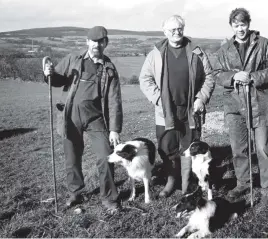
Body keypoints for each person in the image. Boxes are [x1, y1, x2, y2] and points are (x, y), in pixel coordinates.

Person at [43, 26, 123, 210]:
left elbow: (114, 100)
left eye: (101, 41)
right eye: (93, 41)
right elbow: (57, 80)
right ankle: (76, 193)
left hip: (96, 118)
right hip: (70, 116)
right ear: (87, 42)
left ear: (106, 43)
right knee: (72, 157)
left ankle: (109, 198)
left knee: (105, 156)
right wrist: (48, 74)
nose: (97, 44)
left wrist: (114, 129)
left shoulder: (109, 68)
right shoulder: (73, 59)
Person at [139, 15, 215, 197]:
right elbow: (145, 79)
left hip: (190, 109)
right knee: (167, 147)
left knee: (189, 147)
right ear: (165, 32)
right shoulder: (156, 53)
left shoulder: (196, 52)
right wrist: (158, 99)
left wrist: (201, 99)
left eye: (179, 28)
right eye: (172, 30)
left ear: (183, 29)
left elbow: (209, 77)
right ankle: (171, 181)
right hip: (165, 112)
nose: (176, 32)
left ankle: (187, 184)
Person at [214, 8, 268, 207]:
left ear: (249, 24)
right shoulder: (224, 49)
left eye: (243, 24)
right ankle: (243, 183)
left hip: (259, 103)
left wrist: (252, 76)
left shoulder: (264, 44)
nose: (240, 28)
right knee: (238, 149)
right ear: (231, 26)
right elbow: (217, 74)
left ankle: (267, 188)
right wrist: (233, 76)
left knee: (262, 148)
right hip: (234, 105)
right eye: (236, 25)